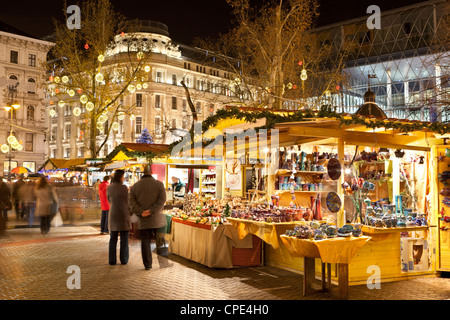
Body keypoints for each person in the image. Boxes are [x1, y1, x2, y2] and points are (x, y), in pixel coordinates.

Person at [130, 165, 167, 270]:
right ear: (151, 173)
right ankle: (163, 263)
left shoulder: (135, 186)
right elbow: (162, 199)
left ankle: (147, 265)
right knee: (160, 240)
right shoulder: (159, 185)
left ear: (142, 173)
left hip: (143, 220)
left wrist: (141, 212)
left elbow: (131, 202)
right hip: (157, 219)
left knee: (145, 242)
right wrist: (152, 210)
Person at [107, 170, 131, 265]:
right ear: (120, 177)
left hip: (113, 214)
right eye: (123, 176)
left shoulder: (109, 188)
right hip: (123, 214)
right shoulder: (124, 188)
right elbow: (128, 201)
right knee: (124, 238)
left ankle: (112, 260)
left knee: (113, 238)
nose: (123, 178)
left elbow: (109, 200)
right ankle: (124, 259)